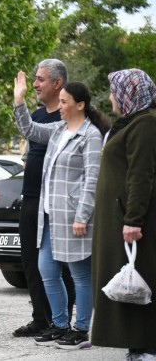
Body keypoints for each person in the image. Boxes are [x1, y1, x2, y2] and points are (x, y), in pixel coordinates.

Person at [14, 74, 109, 349]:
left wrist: (82, 216)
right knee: (47, 270)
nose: (61, 106)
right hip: (49, 215)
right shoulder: (59, 130)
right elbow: (30, 130)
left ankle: (81, 330)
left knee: (80, 274)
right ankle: (59, 324)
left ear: (80, 105)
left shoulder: (90, 135)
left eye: (65, 101)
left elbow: (93, 178)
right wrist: (19, 101)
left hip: (73, 218)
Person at [91, 69, 156, 360]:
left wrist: (133, 219)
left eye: (115, 91)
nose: (110, 98)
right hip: (119, 218)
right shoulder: (130, 123)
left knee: (137, 283)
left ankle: (145, 347)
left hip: (131, 222)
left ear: (130, 94)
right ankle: (137, 345)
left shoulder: (145, 124)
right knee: (126, 285)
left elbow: (141, 175)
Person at [11, 59, 75, 338]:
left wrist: (18, 101)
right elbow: (29, 153)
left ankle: (63, 321)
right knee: (30, 261)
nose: (35, 84)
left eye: (40, 79)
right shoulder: (37, 115)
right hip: (32, 197)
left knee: (60, 264)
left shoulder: (64, 118)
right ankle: (41, 318)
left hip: (55, 201)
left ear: (57, 83)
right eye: (35, 79)